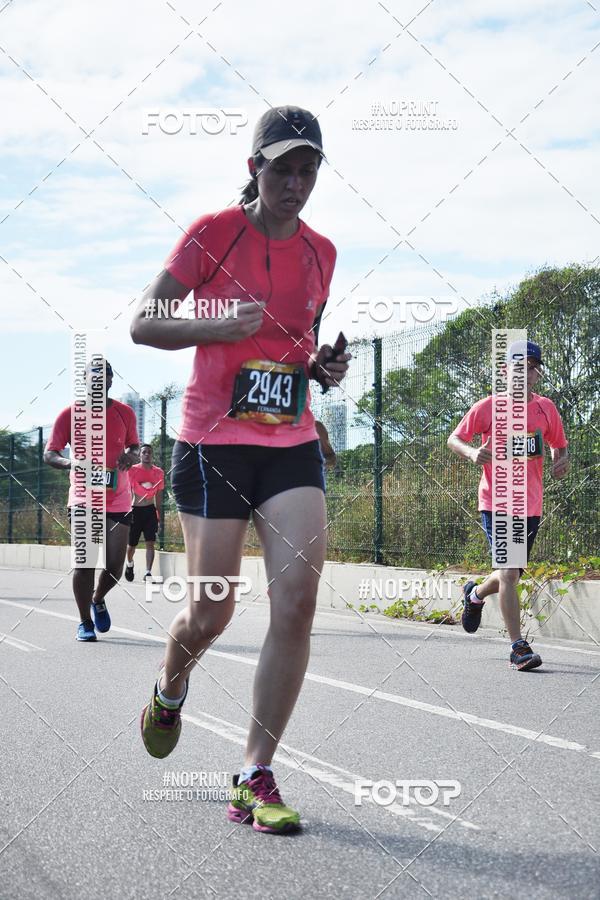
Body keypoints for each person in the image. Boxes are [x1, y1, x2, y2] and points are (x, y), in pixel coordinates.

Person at [131, 105, 349, 833]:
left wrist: (322, 367)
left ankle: (254, 773)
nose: (295, 182)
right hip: (212, 445)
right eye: (281, 167)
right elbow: (144, 322)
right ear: (254, 167)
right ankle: (169, 688)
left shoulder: (323, 252)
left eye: (307, 170)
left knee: (295, 604)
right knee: (212, 610)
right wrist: (215, 327)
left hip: (288, 443)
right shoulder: (210, 234)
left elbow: (296, 347)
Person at [447, 340, 569, 670]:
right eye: (519, 367)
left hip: (530, 504)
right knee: (511, 572)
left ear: (537, 374)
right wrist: (472, 452)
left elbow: (560, 445)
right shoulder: (488, 407)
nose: (525, 373)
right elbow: (454, 438)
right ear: (506, 372)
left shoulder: (546, 409)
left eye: (531, 368)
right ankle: (518, 647)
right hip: (497, 500)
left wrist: (561, 460)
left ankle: (474, 595)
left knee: (510, 572)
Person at [44, 359, 140, 641]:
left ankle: (98, 598)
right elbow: (50, 453)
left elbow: (135, 446)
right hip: (83, 498)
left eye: (104, 377)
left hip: (118, 499)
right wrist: (69, 463)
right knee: (85, 563)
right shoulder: (69, 414)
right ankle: (85, 621)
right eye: (93, 377)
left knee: (113, 568)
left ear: (111, 381)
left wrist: (130, 456)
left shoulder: (125, 413)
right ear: (84, 381)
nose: (99, 382)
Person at [125, 444, 164, 582]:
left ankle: (148, 573)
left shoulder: (158, 472)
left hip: (150, 511)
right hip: (135, 511)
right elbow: (127, 491)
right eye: (144, 452)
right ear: (140, 455)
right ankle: (129, 564)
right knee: (131, 546)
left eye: (149, 452)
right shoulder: (132, 470)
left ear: (152, 455)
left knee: (150, 542)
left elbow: (158, 497)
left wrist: (160, 518)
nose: (147, 454)